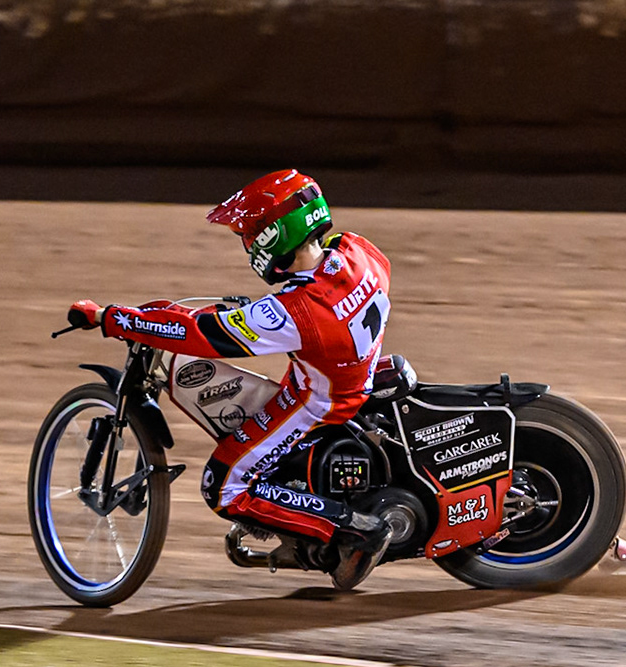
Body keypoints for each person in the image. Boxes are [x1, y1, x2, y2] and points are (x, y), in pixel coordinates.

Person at [67, 169, 396, 587]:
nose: (246, 244)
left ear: (271, 236)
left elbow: (200, 336)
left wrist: (110, 318)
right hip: (355, 373)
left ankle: (352, 530)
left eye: (250, 233)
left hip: (317, 403)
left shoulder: (296, 311)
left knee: (221, 485)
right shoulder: (357, 251)